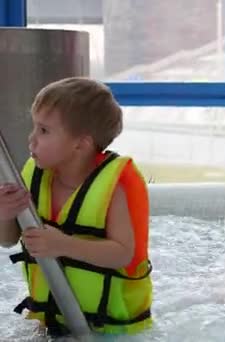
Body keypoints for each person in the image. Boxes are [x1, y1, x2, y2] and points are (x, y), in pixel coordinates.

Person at [0, 77, 153, 336]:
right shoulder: (35, 177)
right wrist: (4, 215)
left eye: (44, 131)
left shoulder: (113, 188)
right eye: (34, 127)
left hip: (112, 330)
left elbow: (123, 254)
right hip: (50, 321)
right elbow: (7, 241)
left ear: (81, 144)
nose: (31, 139)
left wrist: (63, 245)